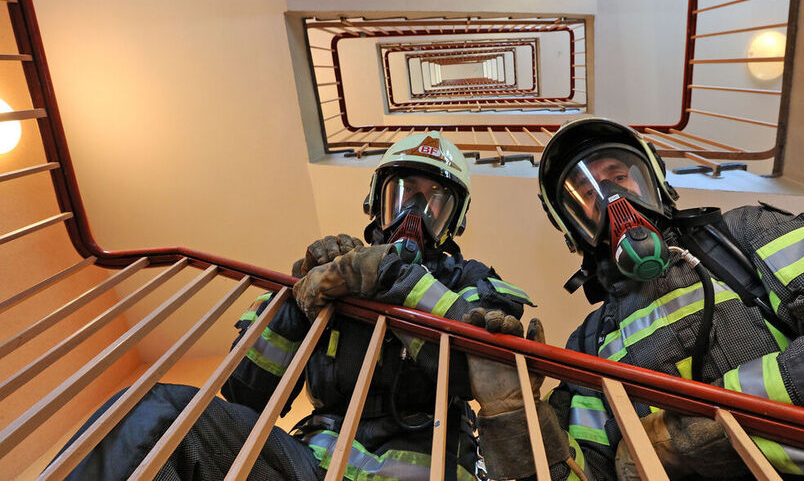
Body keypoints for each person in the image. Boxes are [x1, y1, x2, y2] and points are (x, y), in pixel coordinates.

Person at [464, 118, 804, 480]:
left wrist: (689, 433)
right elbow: (586, 473)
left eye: (620, 176)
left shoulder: (746, 236)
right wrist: (510, 413)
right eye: (590, 196)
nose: (612, 199)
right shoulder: (588, 343)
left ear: (657, 184)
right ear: (575, 231)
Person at [59, 131, 533, 480]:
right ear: (375, 203)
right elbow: (246, 392)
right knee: (156, 413)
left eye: (436, 204)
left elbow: (479, 363)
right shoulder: (329, 275)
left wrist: (388, 275)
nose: (415, 214)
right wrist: (298, 298)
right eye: (403, 195)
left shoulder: (474, 281)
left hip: (431, 466)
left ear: (455, 223)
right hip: (308, 465)